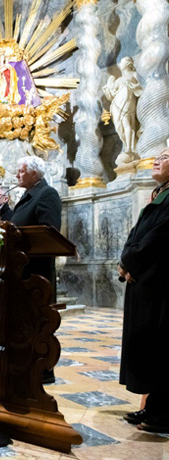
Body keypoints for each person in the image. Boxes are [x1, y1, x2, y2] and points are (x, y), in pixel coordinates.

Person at [118, 150, 169, 433]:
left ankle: (164, 412)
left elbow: (159, 237)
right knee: (149, 347)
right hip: (144, 283)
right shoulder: (158, 194)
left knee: (161, 347)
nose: (157, 160)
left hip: (160, 285)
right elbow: (137, 234)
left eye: (165, 156)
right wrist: (124, 261)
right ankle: (153, 407)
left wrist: (131, 261)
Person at [11, 155, 62, 384]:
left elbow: (49, 231)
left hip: (36, 272)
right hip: (21, 269)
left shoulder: (46, 194)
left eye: (21, 171)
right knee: (25, 323)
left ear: (34, 173)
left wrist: (19, 237)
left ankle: (43, 369)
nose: (17, 175)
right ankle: (27, 364)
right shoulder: (29, 195)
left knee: (39, 322)